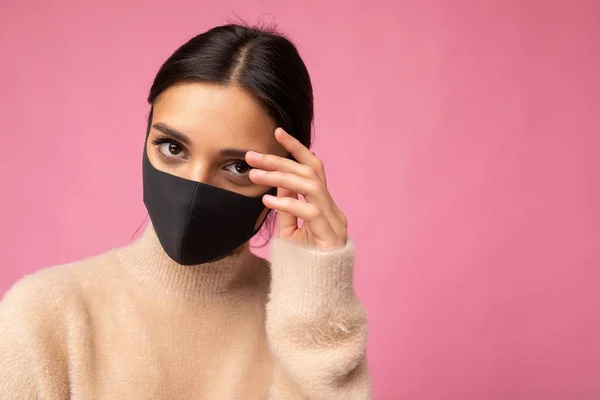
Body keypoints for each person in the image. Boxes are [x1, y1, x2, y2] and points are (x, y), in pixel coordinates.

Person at [0, 23, 370, 399]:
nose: (193, 188)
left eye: (238, 167)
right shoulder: (45, 316)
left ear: (285, 178)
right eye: (173, 147)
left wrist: (317, 294)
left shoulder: (306, 321)